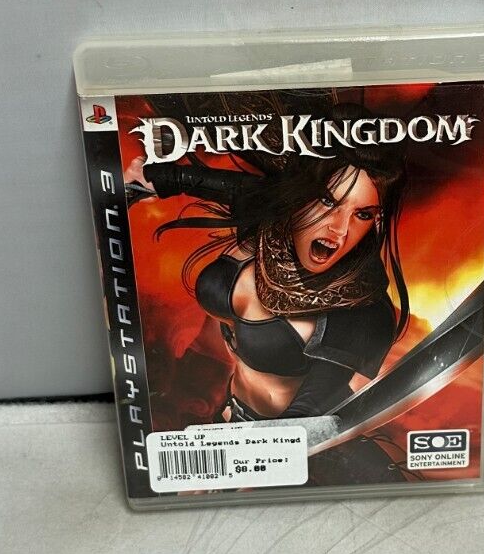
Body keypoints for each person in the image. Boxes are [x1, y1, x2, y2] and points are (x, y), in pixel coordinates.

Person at [126, 141, 411, 481]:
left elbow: (310, 412)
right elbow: (239, 189)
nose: (339, 228)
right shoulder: (273, 225)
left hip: (311, 457)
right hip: (230, 419)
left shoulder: (362, 309)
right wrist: (155, 179)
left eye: (362, 214)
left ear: (375, 221)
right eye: (327, 201)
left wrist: (244, 457)